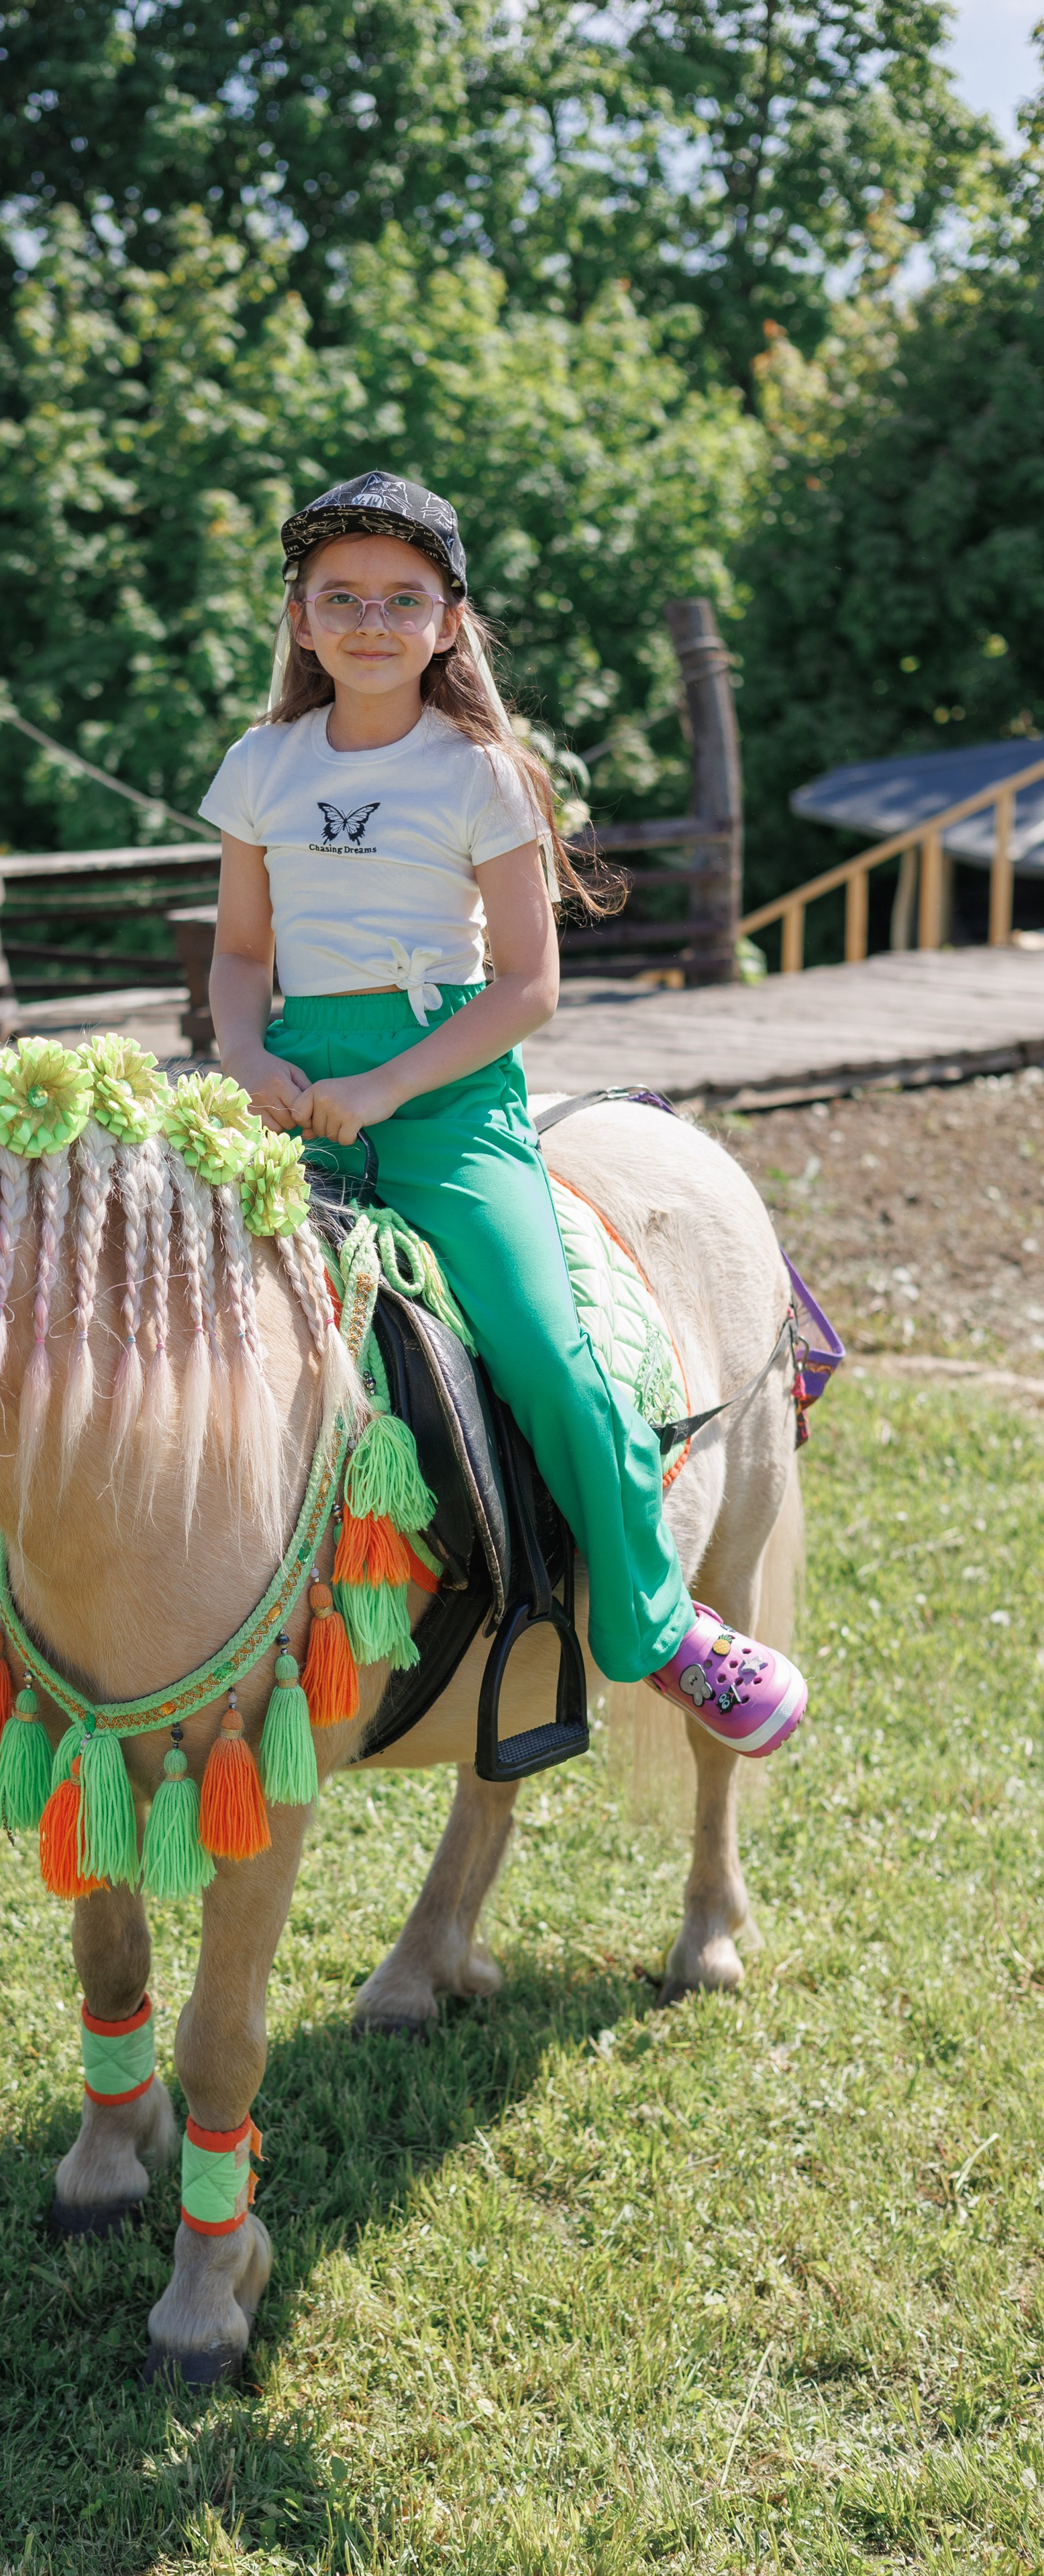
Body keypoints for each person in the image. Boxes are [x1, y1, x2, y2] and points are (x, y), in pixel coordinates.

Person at [200, 470, 806, 1754]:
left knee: (547, 1351)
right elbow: (243, 953)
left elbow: (530, 984)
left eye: (402, 599)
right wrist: (246, 1052)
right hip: (286, 1086)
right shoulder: (261, 765)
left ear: (449, 622)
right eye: (341, 597)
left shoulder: (481, 773)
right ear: (299, 619)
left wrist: (383, 1088)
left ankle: (659, 1626)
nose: (371, 621)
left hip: (446, 1101)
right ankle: (14, 1597)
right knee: (113, 1282)